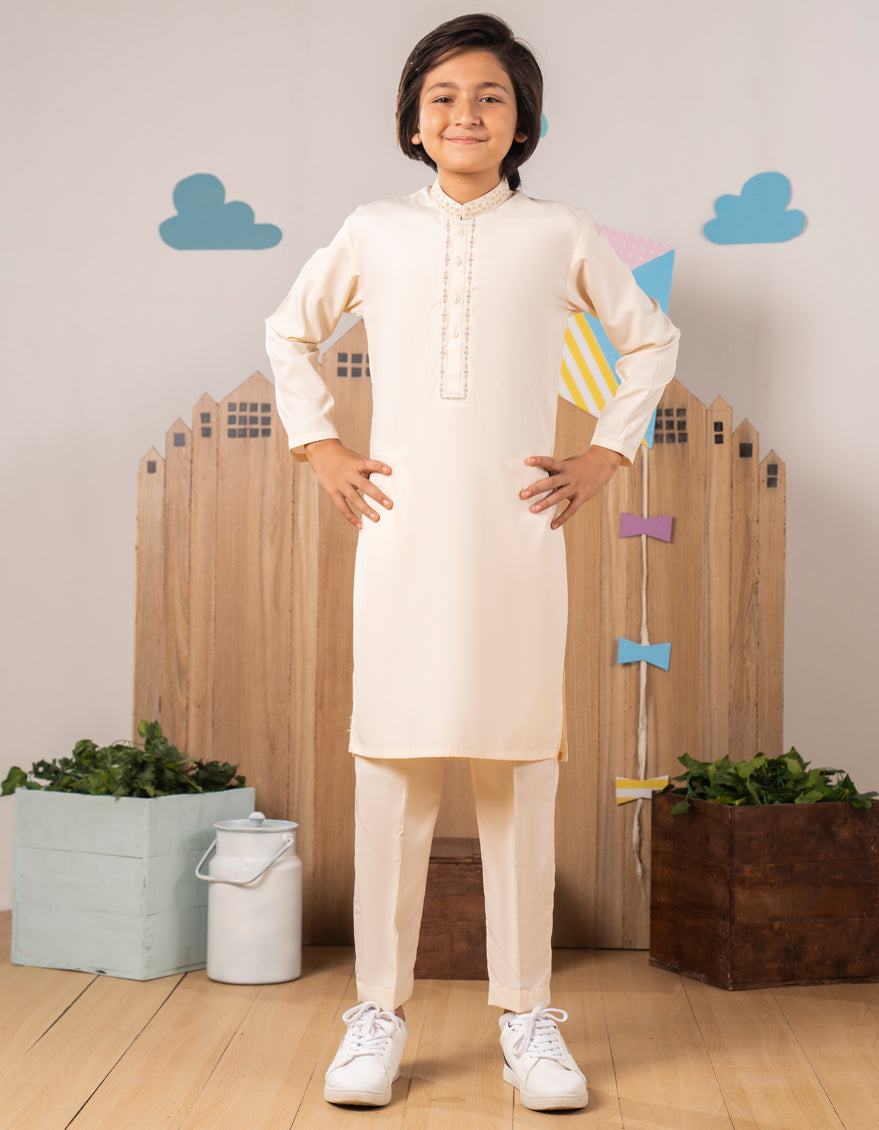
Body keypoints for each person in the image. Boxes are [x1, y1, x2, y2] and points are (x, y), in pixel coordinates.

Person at [265, 13, 679, 1113]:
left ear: (523, 122)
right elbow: (288, 331)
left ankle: (527, 1017)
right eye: (443, 96)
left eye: (491, 96)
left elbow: (652, 338)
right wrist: (321, 447)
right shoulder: (372, 230)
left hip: (515, 533)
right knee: (391, 767)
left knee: (518, 768)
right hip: (401, 532)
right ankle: (377, 1011)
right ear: (413, 120)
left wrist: (604, 453)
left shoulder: (559, 232)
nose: (466, 114)